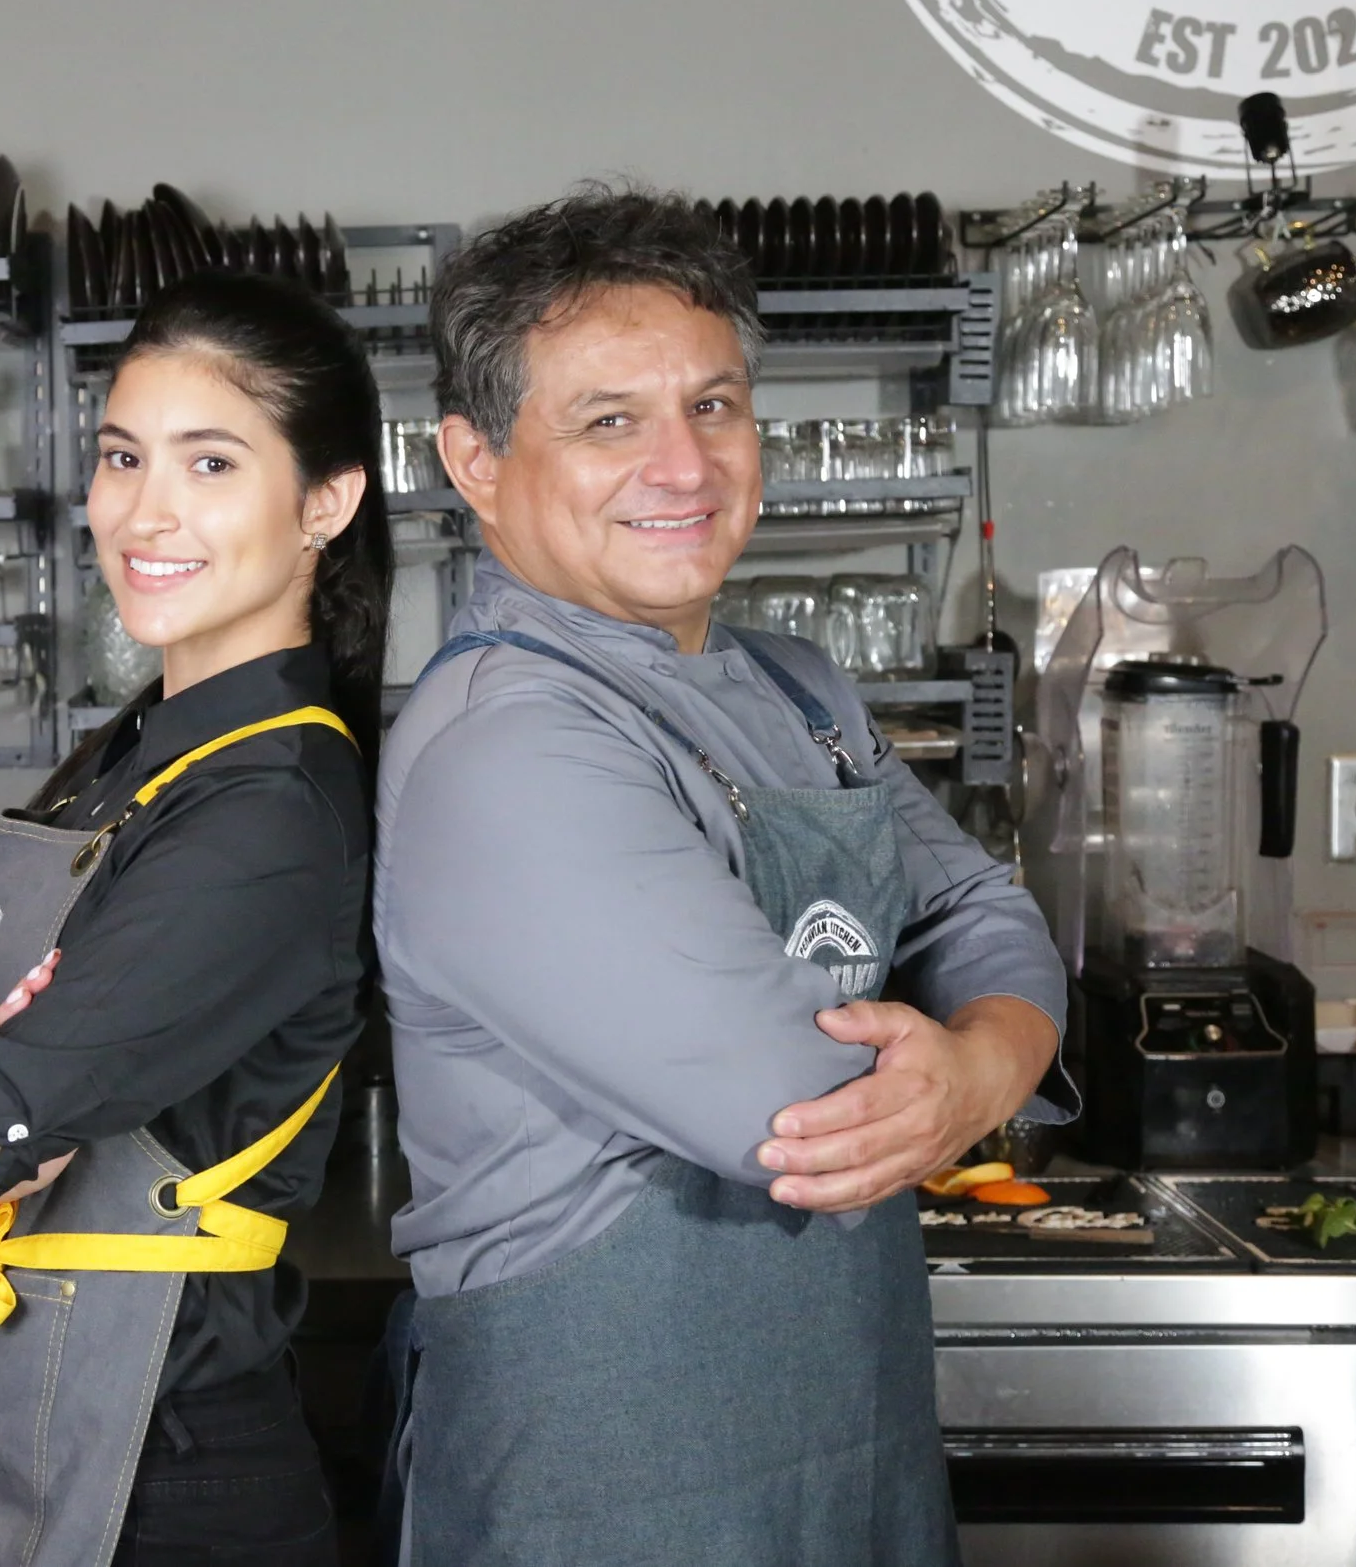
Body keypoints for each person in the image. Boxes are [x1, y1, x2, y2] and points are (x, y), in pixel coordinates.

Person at [374, 187, 1075, 1566]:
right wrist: (985, 1064)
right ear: (473, 459)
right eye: (608, 421)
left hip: (843, 1455)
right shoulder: (507, 747)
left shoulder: (793, 684)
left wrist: (976, 1060)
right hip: (611, 1487)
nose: (684, 465)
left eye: (715, 405)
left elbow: (987, 911)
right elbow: (808, 1118)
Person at [0, 271, 393, 1567]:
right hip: (56, 1409)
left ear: (325, 501)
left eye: (210, 461)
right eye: (121, 456)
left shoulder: (265, 812)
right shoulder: (148, 748)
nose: (143, 512)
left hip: (165, 1472)